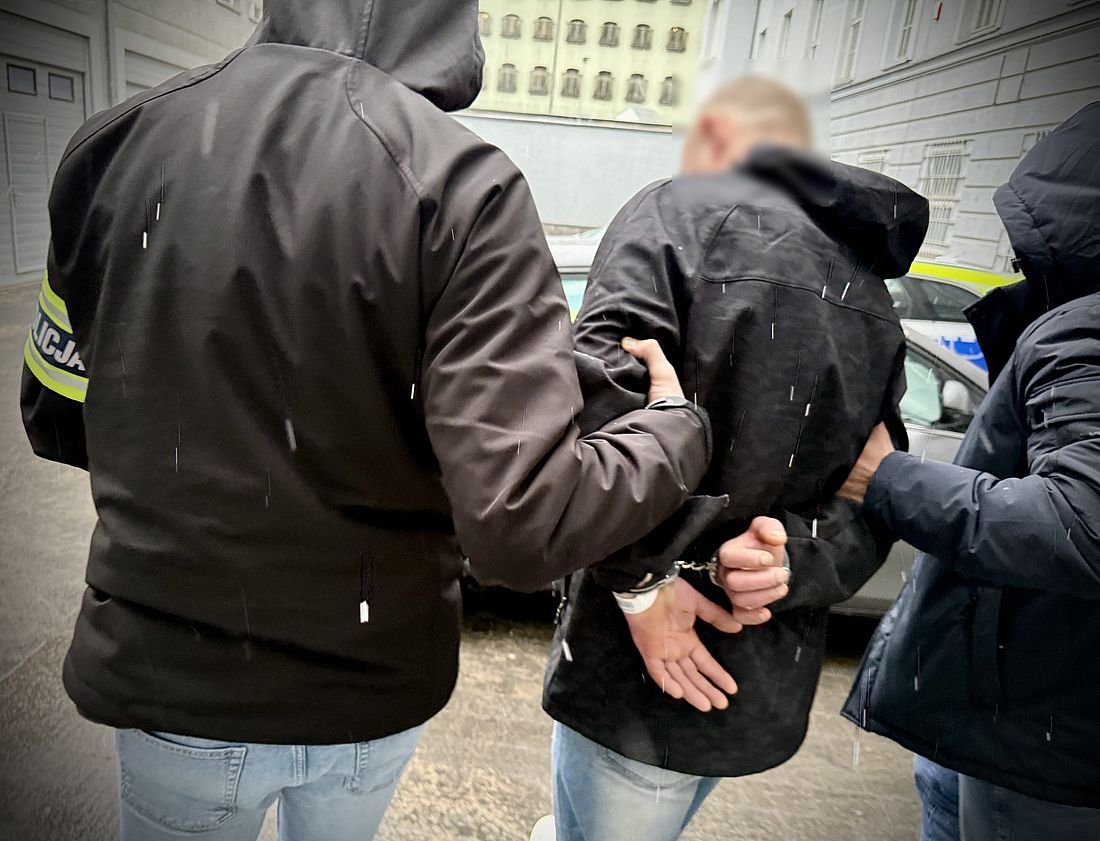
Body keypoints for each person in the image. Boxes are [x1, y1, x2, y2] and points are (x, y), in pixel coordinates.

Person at [18, 2, 732, 838]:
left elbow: (55, 411)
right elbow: (521, 519)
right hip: (366, 683)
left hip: (171, 674)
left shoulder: (114, 145)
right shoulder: (465, 186)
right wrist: (676, 428)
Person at [538, 76, 929, 840]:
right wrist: (792, 560)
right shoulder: (871, 292)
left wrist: (642, 584)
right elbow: (875, 492)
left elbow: (588, 423)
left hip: (641, 682)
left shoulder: (673, 215)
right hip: (758, 683)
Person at [840, 101, 1100, 841]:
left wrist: (886, 478)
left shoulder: (1086, 328)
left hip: (1040, 746)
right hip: (1035, 721)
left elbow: (1081, 524)